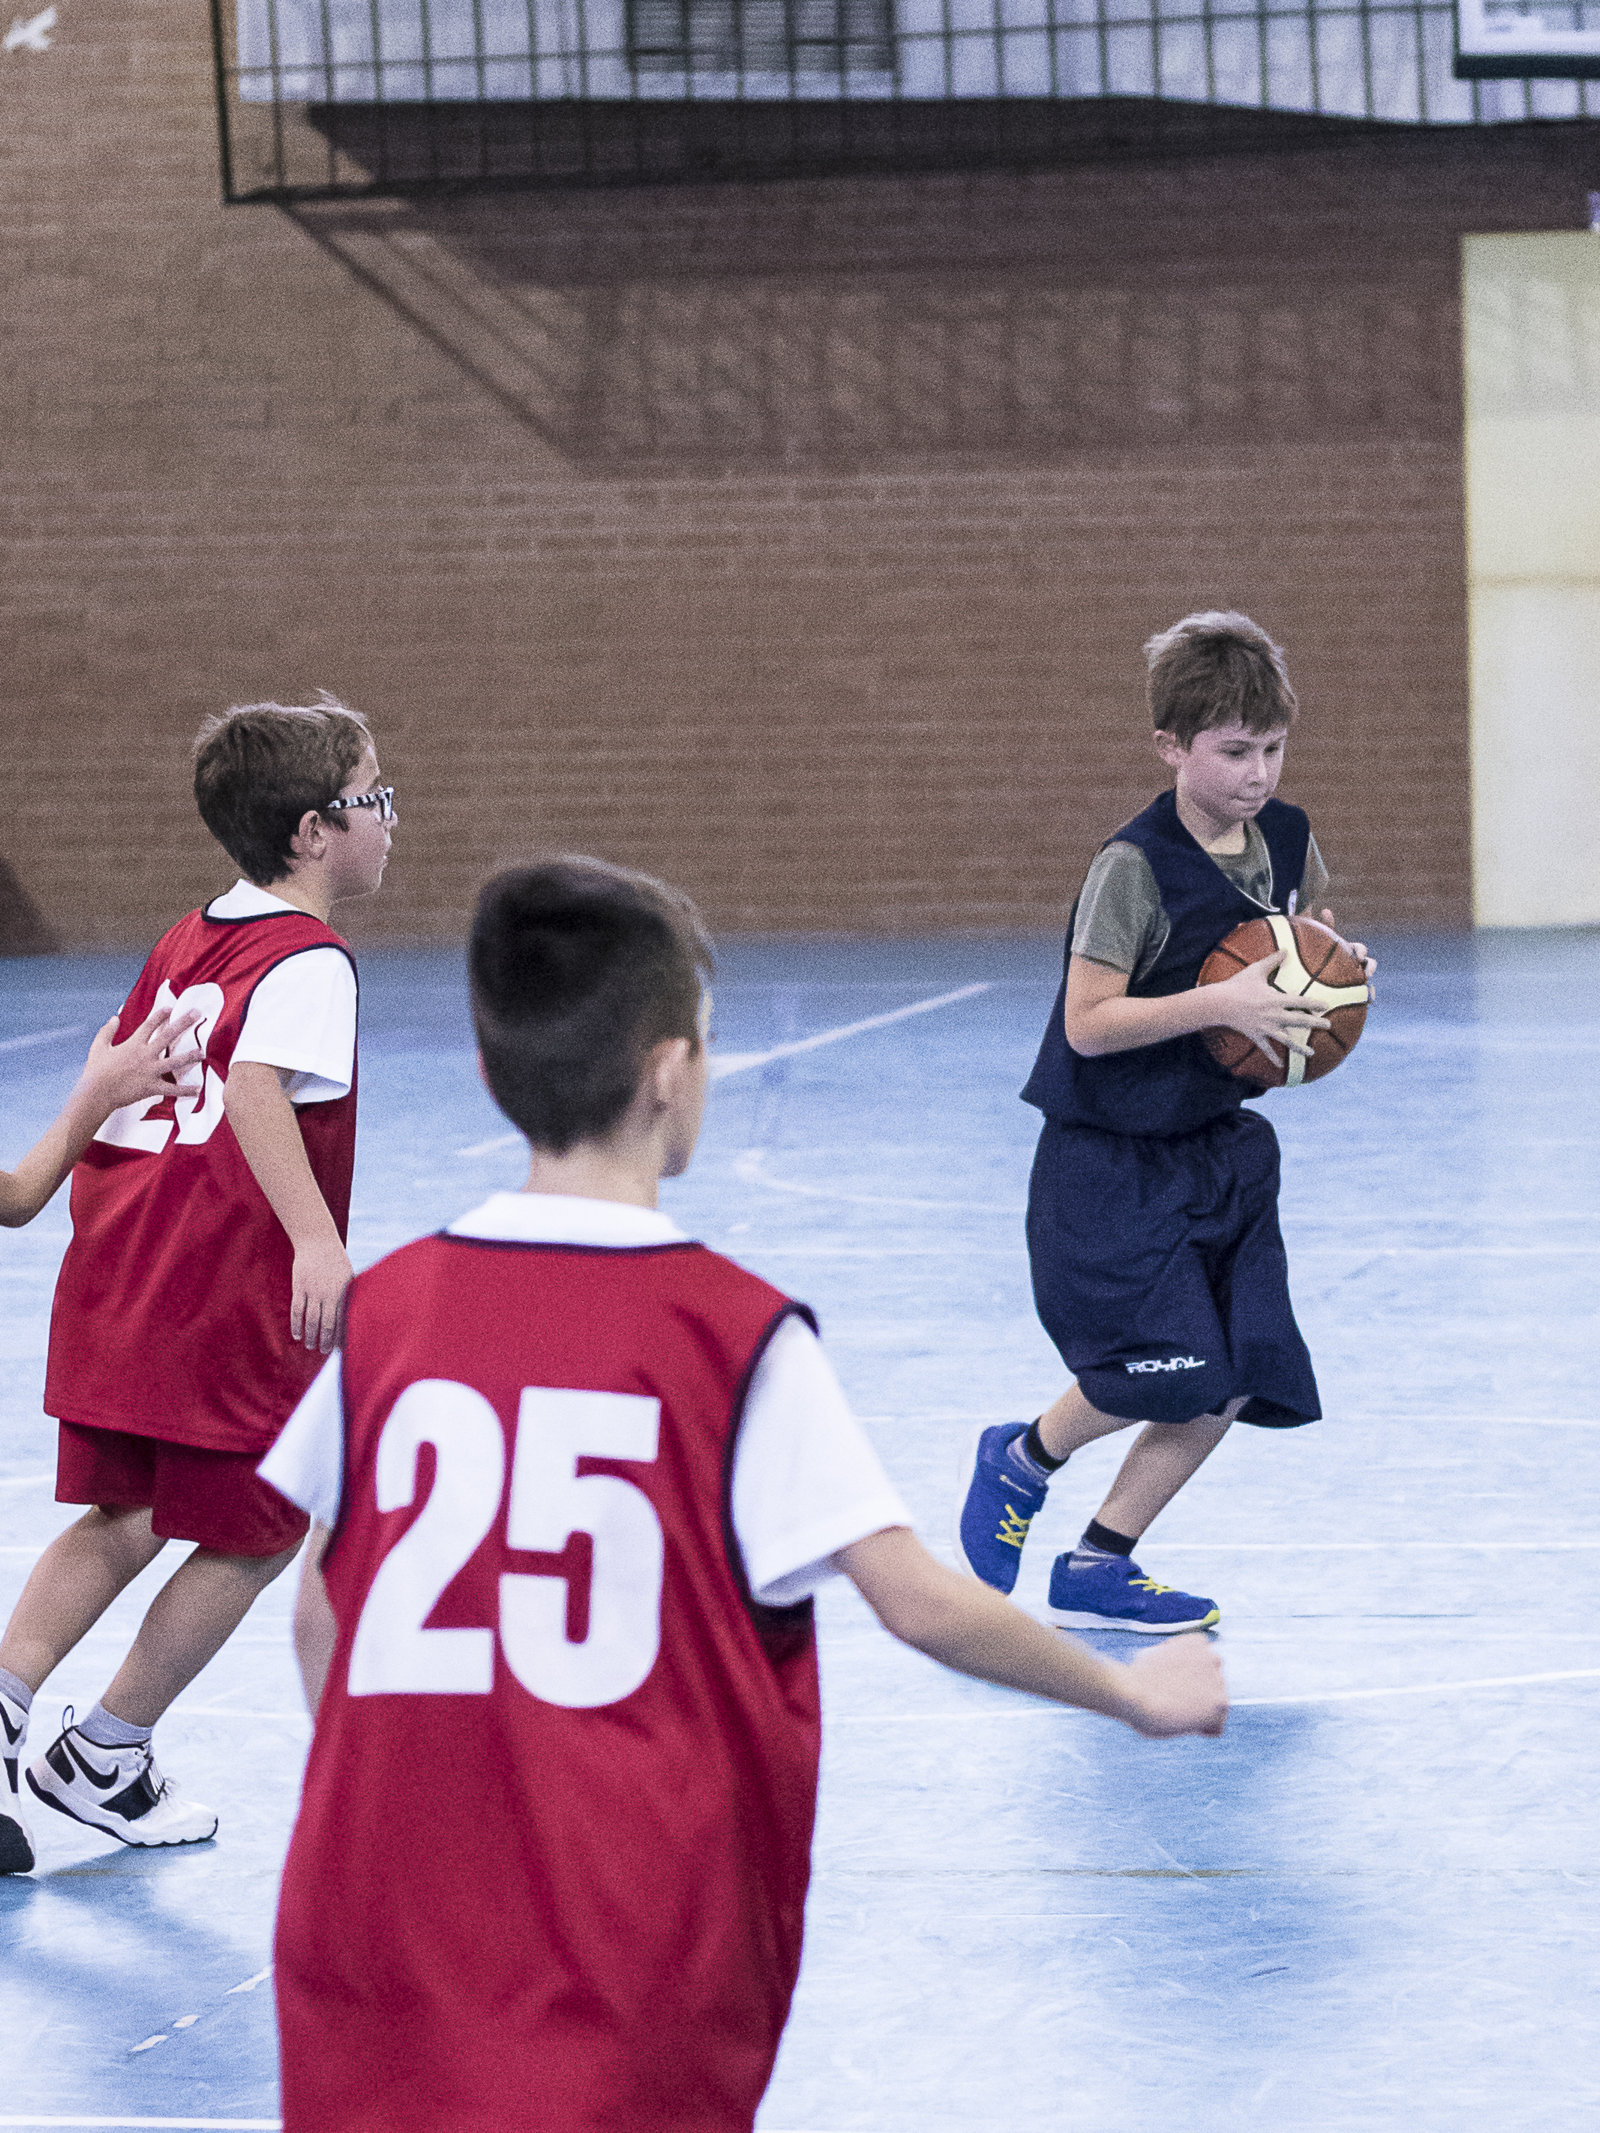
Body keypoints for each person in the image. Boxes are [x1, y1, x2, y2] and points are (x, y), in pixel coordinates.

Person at [262, 857, 1228, 2133]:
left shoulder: (389, 1313)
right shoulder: (728, 1333)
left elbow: (321, 1614)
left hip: (373, 1930)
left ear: (493, 1074)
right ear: (672, 1072)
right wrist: (1130, 1693)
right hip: (617, 1947)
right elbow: (916, 1603)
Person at [0, 693, 394, 1878]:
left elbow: (104, 1101)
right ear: (315, 832)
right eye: (375, 799)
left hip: (119, 1274)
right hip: (218, 1296)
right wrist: (317, 1241)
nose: (390, 819)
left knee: (122, 1514)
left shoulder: (187, 938)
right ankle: (106, 1750)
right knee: (262, 1528)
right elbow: (258, 1087)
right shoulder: (308, 957)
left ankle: (7, 1705)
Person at [956, 611, 1374, 1632]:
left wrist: (1337, 972)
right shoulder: (1133, 869)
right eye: (1233, 751)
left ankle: (1100, 1563)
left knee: (1237, 1373)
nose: (1257, 773)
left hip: (1221, 1148)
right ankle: (1022, 1456)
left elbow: (1300, 937)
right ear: (1170, 746)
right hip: (1110, 1159)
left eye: (1272, 748)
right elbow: (1088, 1024)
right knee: (1168, 1370)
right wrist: (1220, 1002)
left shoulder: (1287, 838)